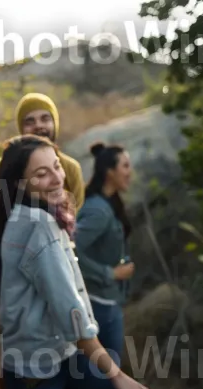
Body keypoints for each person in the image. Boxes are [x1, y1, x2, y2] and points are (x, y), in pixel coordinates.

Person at [0, 134, 157, 389]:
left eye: (57, 165)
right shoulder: (37, 225)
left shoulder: (27, 214)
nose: (57, 178)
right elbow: (69, 310)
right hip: (35, 368)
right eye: (42, 173)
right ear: (20, 183)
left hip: (62, 354)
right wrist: (118, 376)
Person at [74, 142, 134, 369]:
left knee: (99, 381)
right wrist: (109, 273)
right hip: (100, 305)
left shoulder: (108, 203)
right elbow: (72, 248)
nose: (130, 172)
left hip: (106, 302)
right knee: (104, 382)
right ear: (110, 172)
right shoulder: (98, 210)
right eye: (125, 166)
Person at [0, 93, 85, 211]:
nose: (38, 125)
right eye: (30, 122)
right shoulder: (1, 168)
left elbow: (74, 217)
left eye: (45, 119)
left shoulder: (71, 168)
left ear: (54, 123)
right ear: (21, 129)